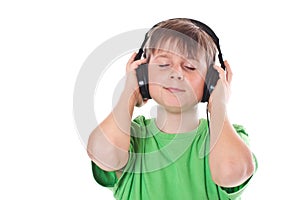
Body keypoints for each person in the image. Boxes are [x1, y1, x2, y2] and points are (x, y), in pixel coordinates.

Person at [87, 18, 257, 200]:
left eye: (190, 67)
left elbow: (231, 170)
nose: (176, 73)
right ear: (143, 73)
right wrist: (129, 92)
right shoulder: (130, 137)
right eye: (163, 65)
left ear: (211, 82)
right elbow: (103, 154)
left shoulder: (227, 137)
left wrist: (219, 105)